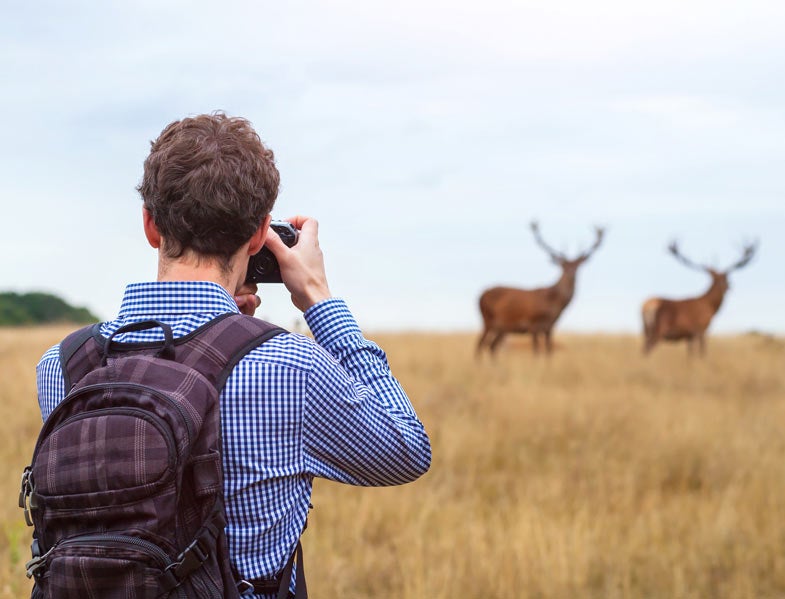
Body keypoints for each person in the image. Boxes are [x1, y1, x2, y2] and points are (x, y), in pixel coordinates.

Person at [35, 112, 432, 597]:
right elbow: (407, 451)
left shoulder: (63, 366)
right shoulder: (289, 367)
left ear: (150, 225)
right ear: (259, 232)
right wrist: (319, 300)